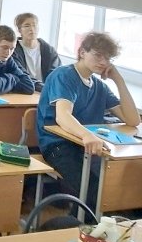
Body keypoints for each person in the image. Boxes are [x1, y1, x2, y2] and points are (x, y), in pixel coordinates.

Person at [36, 32, 140, 208]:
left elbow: (132, 120)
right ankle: (81, 223)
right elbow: (63, 116)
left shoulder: (100, 86)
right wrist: (87, 135)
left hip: (86, 147)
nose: (103, 62)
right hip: (58, 145)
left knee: (116, 187)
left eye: (108, 58)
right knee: (94, 193)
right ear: (82, 52)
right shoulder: (64, 75)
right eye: (98, 55)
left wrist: (119, 80)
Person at [12, 12, 61, 91]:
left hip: (47, 90)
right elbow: (19, 74)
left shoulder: (49, 50)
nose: (32, 29)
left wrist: (49, 88)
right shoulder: (13, 50)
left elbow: (56, 74)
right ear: (19, 30)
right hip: (25, 89)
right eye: (27, 26)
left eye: (34, 25)